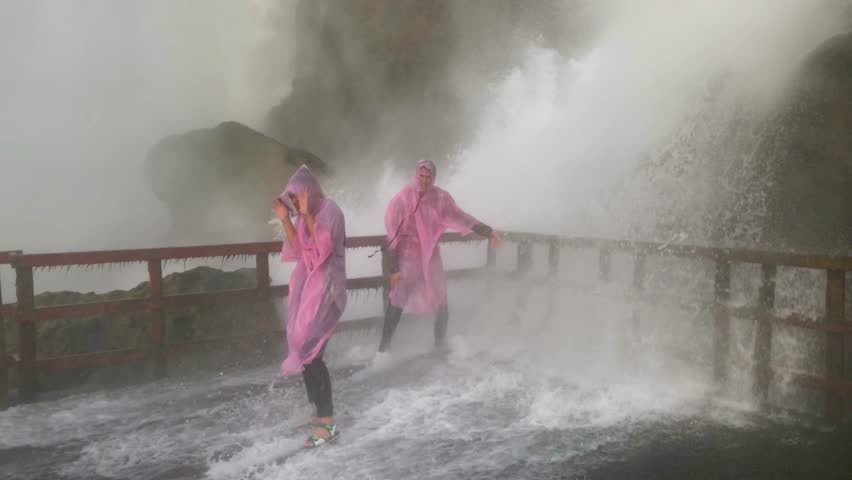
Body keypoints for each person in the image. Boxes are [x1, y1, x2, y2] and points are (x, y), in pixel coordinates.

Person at [378, 159, 501, 354]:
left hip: (430, 255)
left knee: (441, 297)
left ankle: (439, 345)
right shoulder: (402, 200)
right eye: (422, 176)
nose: (424, 181)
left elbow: (462, 217)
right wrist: (394, 269)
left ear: (434, 178)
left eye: (429, 177)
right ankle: (383, 349)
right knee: (397, 298)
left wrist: (488, 231)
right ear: (415, 175)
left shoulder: (440, 198)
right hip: (407, 255)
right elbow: (391, 236)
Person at [273, 165, 347, 448]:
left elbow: (323, 249)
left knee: (311, 352)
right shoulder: (305, 216)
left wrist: (305, 214)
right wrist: (286, 219)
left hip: (328, 290)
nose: (294, 203)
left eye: (297, 197)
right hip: (310, 288)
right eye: (291, 199)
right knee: (302, 346)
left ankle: (328, 424)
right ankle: (318, 411)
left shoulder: (330, 211)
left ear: (310, 191)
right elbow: (298, 249)